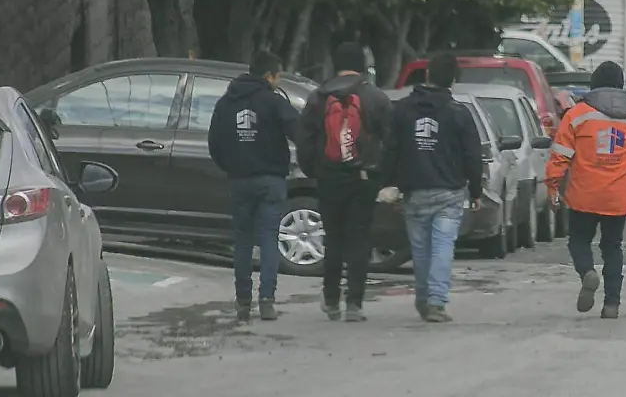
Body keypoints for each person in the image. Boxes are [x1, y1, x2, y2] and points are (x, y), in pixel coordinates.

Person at [545, 61, 626, 319]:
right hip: (617, 198)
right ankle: (612, 305)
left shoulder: (577, 115)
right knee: (612, 248)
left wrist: (552, 187)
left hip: (583, 195)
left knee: (579, 241)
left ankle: (587, 272)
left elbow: (560, 156)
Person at [296, 42, 393, 323]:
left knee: (334, 239)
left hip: (329, 178)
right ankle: (354, 303)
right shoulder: (376, 98)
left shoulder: (318, 98)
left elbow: (304, 140)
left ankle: (330, 299)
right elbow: (392, 140)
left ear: (335, 64)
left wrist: (313, 170)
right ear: (362, 65)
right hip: (363, 179)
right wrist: (383, 176)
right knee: (359, 239)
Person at [389, 53, 483, 324]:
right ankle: (436, 302)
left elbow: (391, 150)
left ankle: (422, 298)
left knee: (420, 250)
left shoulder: (402, 110)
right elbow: (472, 156)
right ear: (453, 81)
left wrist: (389, 183)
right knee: (443, 247)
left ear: (427, 75)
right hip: (449, 192)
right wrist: (476, 191)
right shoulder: (458, 113)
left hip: (413, 190)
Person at [207, 50, 299, 322]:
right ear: (268, 75)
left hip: (239, 181)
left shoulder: (226, 103)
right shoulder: (273, 102)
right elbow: (298, 130)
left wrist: (231, 166)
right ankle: (267, 300)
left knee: (243, 241)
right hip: (271, 180)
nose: (279, 81)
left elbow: (215, 144)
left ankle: (243, 301)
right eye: (278, 76)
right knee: (269, 239)